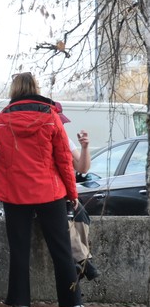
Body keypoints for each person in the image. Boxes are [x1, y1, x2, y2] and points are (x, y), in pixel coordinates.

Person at [0, 72, 84, 307]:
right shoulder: (51, 117)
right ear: (36, 88)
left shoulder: (3, 118)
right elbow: (64, 159)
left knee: (19, 249)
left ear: (14, 90)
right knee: (61, 250)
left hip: (15, 192)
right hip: (50, 191)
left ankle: (20, 305)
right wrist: (72, 192)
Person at [54, 102, 98, 280]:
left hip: (67, 194)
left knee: (82, 217)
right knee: (65, 223)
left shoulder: (65, 139)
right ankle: (84, 261)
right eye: (59, 122)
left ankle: (83, 262)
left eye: (62, 123)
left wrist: (85, 147)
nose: (61, 126)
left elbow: (83, 168)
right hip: (51, 195)